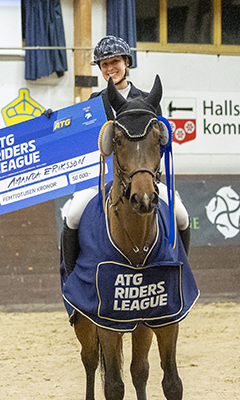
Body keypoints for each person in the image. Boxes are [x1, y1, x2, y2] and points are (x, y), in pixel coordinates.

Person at [61, 35, 191, 270]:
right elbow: (74, 135)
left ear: (126, 63)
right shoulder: (93, 102)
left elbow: (158, 143)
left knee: (181, 216)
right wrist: (51, 121)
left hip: (141, 178)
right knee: (72, 216)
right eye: (105, 64)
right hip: (101, 179)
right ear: (100, 69)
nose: (111, 68)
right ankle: (71, 279)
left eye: (115, 62)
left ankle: (180, 273)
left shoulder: (147, 100)